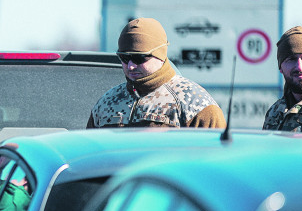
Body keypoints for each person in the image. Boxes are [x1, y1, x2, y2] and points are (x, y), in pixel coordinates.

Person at [87, 17, 226, 128]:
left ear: (160, 55)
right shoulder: (105, 104)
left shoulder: (196, 105)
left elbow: (217, 153)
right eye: (124, 58)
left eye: (138, 58)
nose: (130, 66)